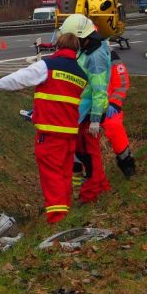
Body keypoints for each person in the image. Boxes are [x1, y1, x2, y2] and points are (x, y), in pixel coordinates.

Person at [0, 33, 88, 223]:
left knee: (51, 177)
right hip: (69, 135)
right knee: (63, 176)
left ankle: (57, 219)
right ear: (76, 51)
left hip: (49, 135)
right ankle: (65, 214)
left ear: (57, 47)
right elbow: (62, 99)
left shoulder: (48, 65)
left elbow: (20, 78)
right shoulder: (80, 74)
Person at [63, 14, 111, 203]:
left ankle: (91, 193)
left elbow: (99, 89)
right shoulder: (87, 49)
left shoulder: (95, 55)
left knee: (90, 154)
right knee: (82, 151)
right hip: (83, 112)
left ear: (83, 36)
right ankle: (101, 187)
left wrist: (95, 119)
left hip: (92, 112)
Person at [102, 51, 136, 177]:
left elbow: (122, 81)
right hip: (85, 105)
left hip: (108, 105)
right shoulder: (77, 53)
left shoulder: (110, 56)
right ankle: (86, 173)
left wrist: (115, 102)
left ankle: (127, 163)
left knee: (115, 128)